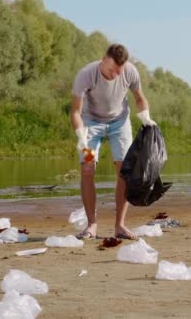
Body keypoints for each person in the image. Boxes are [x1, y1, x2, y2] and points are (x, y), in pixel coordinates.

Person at [70, 44, 155, 240]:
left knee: (124, 170)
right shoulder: (86, 75)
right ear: (103, 61)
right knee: (87, 167)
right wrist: (81, 137)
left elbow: (140, 98)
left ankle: (120, 226)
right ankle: (91, 225)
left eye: (119, 71)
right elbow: (75, 111)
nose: (115, 75)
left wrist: (145, 117)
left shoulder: (130, 72)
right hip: (91, 125)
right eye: (111, 70)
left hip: (119, 123)